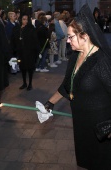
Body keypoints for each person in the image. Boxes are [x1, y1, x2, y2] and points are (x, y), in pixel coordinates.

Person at [43, 4, 111, 170]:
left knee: (102, 162)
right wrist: (50, 103)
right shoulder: (75, 56)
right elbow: (68, 85)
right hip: (82, 122)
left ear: (85, 36)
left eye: (71, 37)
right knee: (88, 160)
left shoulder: (101, 61)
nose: (67, 41)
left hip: (101, 125)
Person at [11, 14, 39, 90]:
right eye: (23, 19)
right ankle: (24, 83)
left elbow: (35, 40)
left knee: (30, 68)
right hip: (20, 53)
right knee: (22, 68)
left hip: (30, 53)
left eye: (26, 19)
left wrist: (36, 51)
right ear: (21, 20)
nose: (25, 21)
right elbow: (13, 39)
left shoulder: (31, 28)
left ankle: (30, 83)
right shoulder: (17, 28)